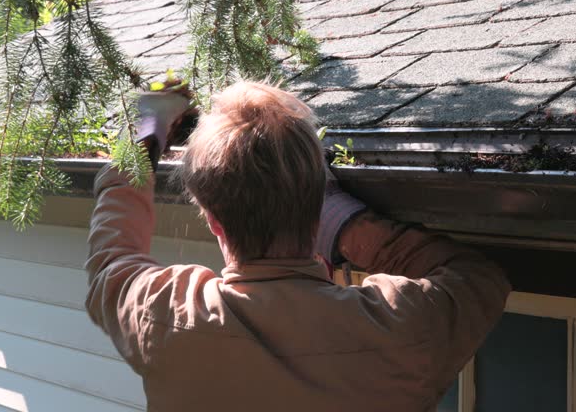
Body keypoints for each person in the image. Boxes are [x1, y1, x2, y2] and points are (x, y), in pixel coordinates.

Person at [85, 81, 510, 412]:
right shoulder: (398, 325)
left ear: (214, 220)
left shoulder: (164, 315)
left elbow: (111, 258)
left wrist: (147, 128)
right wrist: (343, 223)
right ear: (314, 209)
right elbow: (478, 278)